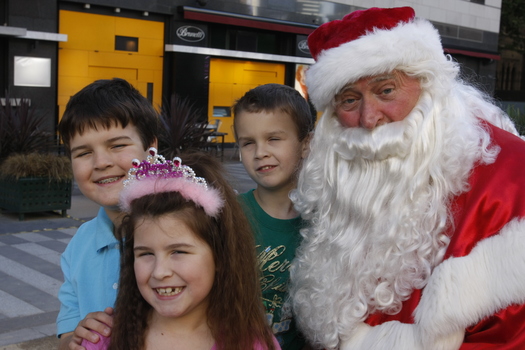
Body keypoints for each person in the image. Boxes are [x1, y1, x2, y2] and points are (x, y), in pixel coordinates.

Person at [288, 6, 525, 350]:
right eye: (350, 100)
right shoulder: (334, 177)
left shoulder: (511, 172)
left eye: (386, 91)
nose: (369, 119)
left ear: (426, 83)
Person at [81, 148, 280, 350]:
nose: (160, 272)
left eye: (178, 251)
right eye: (146, 253)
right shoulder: (103, 340)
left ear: (220, 256)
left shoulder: (253, 344)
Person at [56, 78, 159, 349]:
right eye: (83, 152)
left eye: (117, 146)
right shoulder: (79, 245)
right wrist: (75, 339)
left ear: (151, 151)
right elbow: (67, 332)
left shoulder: (188, 229)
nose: (101, 162)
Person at [233, 84, 314, 350]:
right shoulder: (227, 217)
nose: (260, 153)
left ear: (306, 144)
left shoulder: (326, 224)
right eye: (248, 143)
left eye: (274, 139)